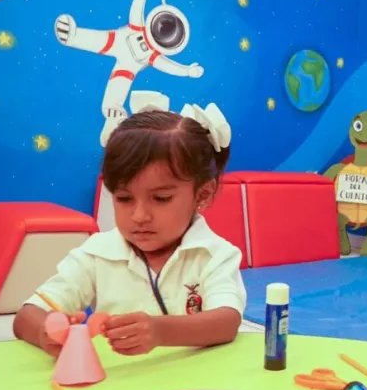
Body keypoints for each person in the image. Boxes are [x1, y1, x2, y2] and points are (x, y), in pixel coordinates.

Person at [13, 103, 247, 357]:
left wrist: (160, 332)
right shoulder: (96, 253)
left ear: (202, 193)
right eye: (124, 198)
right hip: (118, 386)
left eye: (161, 198)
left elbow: (226, 322)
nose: (139, 216)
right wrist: (47, 333)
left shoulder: (214, 254)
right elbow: (27, 315)